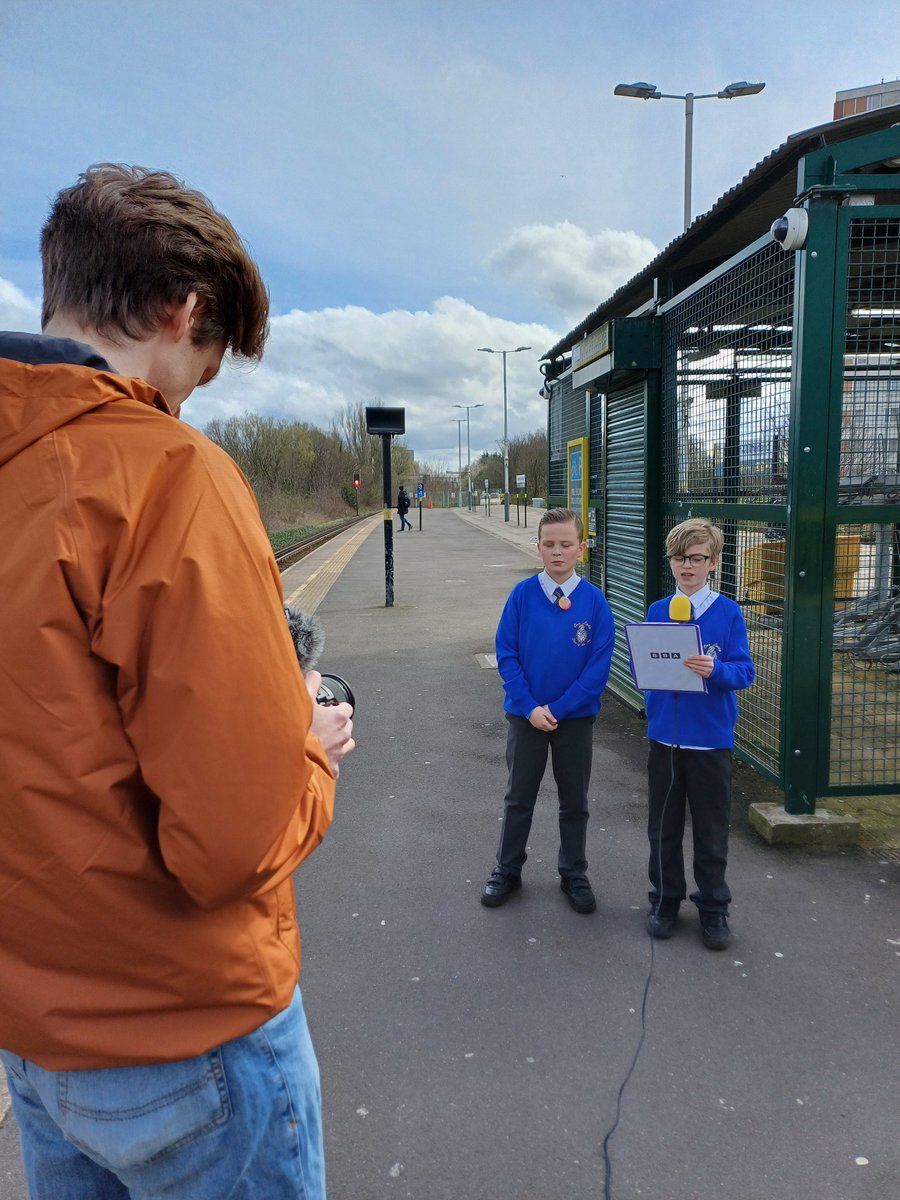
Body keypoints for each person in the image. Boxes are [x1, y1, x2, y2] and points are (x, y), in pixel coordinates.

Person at [0, 164, 354, 1199]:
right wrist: (309, 747)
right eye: (204, 364)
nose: (191, 396)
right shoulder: (167, 474)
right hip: (190, 1041)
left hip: (35, 1040)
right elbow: (233, 841)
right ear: (182, 309)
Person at [481, 508, 615, 914]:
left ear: (582, 548)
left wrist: (557, 708)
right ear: (537, 546)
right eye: (550, 544)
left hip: (573, 720)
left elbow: (598, 666)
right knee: (518, 797)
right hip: (526, 719)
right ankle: (508, 868)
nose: (558, 552)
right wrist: (529, 707)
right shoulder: (522, 595)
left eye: (566, 544)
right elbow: (506, 654)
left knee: (574, 800)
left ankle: (573, 872)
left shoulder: (593, 602)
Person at [644, 518, 754, 950]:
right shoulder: (659, 611)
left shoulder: (728, 613)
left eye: (696, 558)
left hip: (710, 741)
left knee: (710, 830)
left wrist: (717, 670)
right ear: (670, 561)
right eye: (679, 558)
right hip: (666, 739)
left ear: (713, 562)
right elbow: (648, 666)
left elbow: (745, 671)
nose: (687, 566)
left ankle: (713, 908)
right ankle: (665, 900)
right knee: (663, 829)